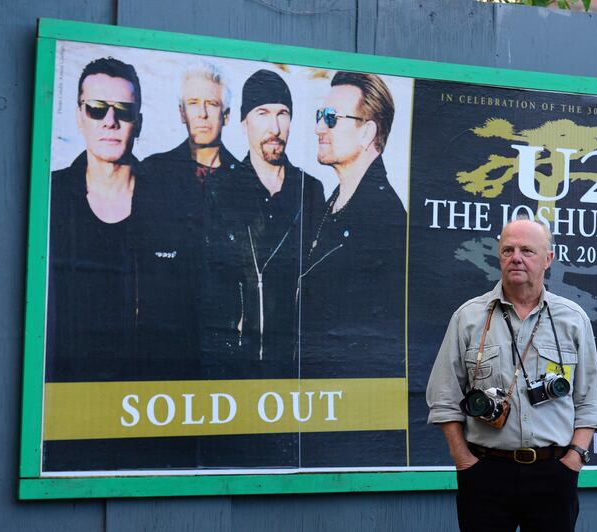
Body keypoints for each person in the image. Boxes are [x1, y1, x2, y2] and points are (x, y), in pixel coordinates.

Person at [426, 218, 597, 532]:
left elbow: (589, 402)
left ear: (548, 259)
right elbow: (443, 399)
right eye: (508, 250)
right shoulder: (469, 317)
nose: (516, 257)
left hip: (554, 473)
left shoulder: (573, 319)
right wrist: (465, 463)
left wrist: (573, 460)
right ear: (499, 256)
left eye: (527, 250)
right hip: (485, 474)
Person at [297, 71, 407, 468]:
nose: (317, 128)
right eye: (318, 115)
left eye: (330, 118)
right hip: (315, 408)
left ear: (367, 133)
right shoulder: (332, 204)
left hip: (349, 423)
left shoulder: (384, 219)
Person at [138, 61, 241, 378]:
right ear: (182, 112)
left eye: (212, 104)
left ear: (225, 115)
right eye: (194, 104)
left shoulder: (246, 180)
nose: (203, 114)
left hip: (225, 342)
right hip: (160, 343)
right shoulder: (153, 171)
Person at [47, 57, 144, 381]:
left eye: (123, 110)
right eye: (97, 108)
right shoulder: (51, 196)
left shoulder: (169, 203)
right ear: (79, 117)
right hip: (68, 395)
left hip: (149, 401)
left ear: (139, 122)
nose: (110, 121)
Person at [234, 69, 324, 374]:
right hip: (238, 363)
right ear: (244, 121)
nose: (275, 127)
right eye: (262, 112)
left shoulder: (310, 190)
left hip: (296, 363)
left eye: (282, 113)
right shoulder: (222, 188)